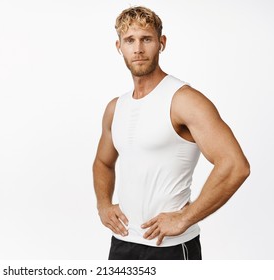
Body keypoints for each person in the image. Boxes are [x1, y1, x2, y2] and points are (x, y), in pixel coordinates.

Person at [92, 6, 250, 260]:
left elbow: (235, 165)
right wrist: (103, 205)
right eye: (130, 40)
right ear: (118, 46)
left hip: (171, 247)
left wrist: (185, 218)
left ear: (161, 43)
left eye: (146, 39)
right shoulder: (116, 107)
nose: (138, 49)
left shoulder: (184, 100)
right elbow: (103, 162)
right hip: (122, 243)